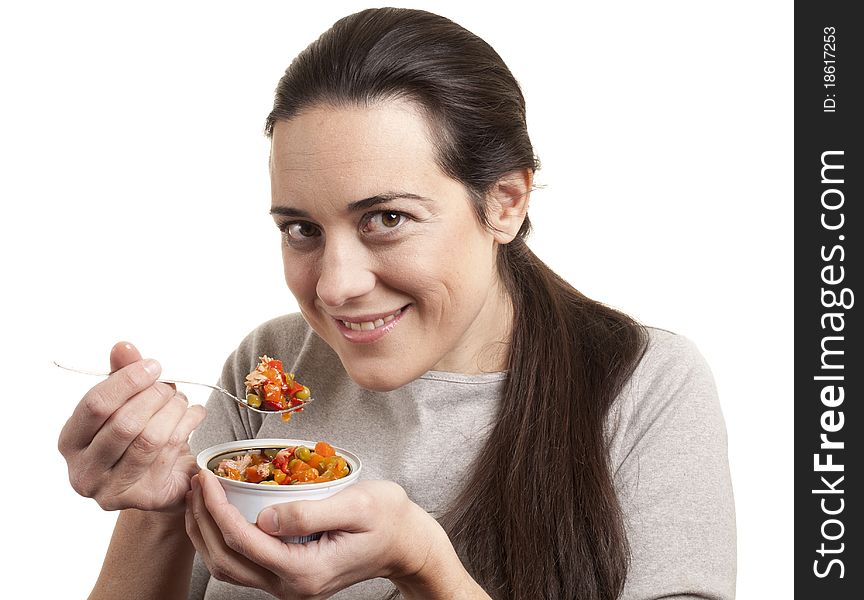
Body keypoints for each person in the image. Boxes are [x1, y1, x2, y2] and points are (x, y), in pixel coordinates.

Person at [58, 7, 735, 600]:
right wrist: (158, 507)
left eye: (385, 219)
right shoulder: (268, 370)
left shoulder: (646, 385)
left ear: (506, 203)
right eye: (302, 229)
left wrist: (426, 568)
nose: (333, 286)